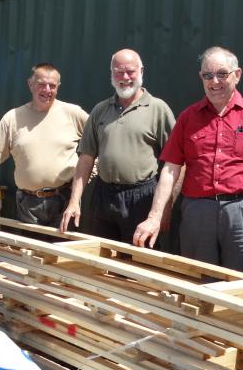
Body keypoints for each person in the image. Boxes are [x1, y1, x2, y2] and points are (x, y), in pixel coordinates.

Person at [135, 46, 243, 275]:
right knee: (198, 283)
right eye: (207, 75)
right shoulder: (188, 117)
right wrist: (154, 217)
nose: (214, 81)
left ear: (237, 75)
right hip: (198, 213)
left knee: (241, 285)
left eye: (222, 74)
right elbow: (170, 170)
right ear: (201, 78)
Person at [60, 49, 175, 246]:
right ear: (111, 74)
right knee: (101, 259)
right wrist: (74, 201)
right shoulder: (100, 110)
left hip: (142, 198)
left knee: (139, 263)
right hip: (103, 196)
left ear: (141, 71)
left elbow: (175, 163)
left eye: (130, 71)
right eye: (118, 72)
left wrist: (165, 208)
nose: (124, 78)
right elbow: (86, 159)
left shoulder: (158, 109)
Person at [0, 63, 88, 227]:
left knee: (60, 253)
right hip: (28, 205)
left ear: (58, 87)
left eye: (52, 86)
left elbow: (99, 145)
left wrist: (88, 171)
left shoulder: (73, 114)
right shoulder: (12, 118)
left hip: (64, 202)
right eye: (41, 84)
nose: (47, 90)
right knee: (28, 252)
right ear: (30, 84)